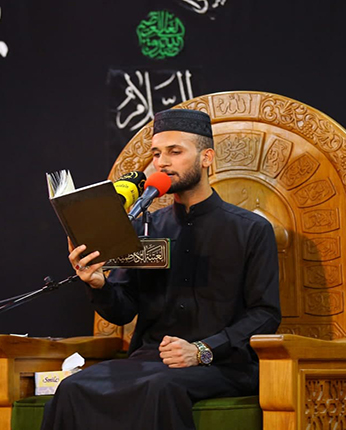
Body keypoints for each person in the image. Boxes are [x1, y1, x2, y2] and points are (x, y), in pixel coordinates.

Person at [41, 108, 281, 430]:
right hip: (150, 359)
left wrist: (202, 350)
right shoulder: (146, 227)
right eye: (156, 154)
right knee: (72, 388)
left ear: (206, 157)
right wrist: (99, 284)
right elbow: (123, 309)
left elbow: (265, 313)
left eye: (174, 152)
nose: (162, 163)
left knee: (159, 388)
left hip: (222, 363)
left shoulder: (250, 229)